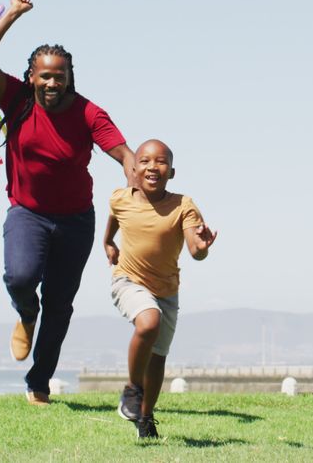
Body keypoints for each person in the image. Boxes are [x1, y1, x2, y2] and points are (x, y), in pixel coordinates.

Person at [0, 0, 135, 406]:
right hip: (28, 213)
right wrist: (11, 14)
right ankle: (26, 312)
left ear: (69, 77)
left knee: (60, 304)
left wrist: (139, 187)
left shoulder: (87, 113)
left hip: (76, 221)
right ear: (31, 76)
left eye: (59, 75)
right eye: (44, 75)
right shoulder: (15, 99)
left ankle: (38, 383)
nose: (51, 83)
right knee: (21, 278)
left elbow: (124, 154)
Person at [104, 139, 218, 439]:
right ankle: (131, 389)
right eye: (144, 161)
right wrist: (107, 241)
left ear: (172, 172)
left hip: (167, 290)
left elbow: (195, 249)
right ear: (134, 168)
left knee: (157, 358)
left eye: (161, 161)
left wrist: (203, 247)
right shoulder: (120, 198)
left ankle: (145, 418)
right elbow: (114, 218)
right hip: (127, 280)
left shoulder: (183, 205)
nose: (152, 166)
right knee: (148, 321)